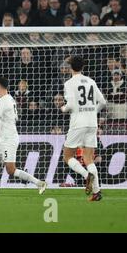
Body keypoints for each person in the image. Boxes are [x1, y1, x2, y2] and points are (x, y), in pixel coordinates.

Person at [60, 56, 106, 201]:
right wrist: (93, 111)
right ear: (83, 67)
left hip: (78, 123)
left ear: (70, 67)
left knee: (67, 157)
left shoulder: (69, 83)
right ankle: (96, 193)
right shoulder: (91, 81)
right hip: (92, 122)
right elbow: (103, 102)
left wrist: (63, 108)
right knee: (88, 158)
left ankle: (87, 176)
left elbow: (71, 105)